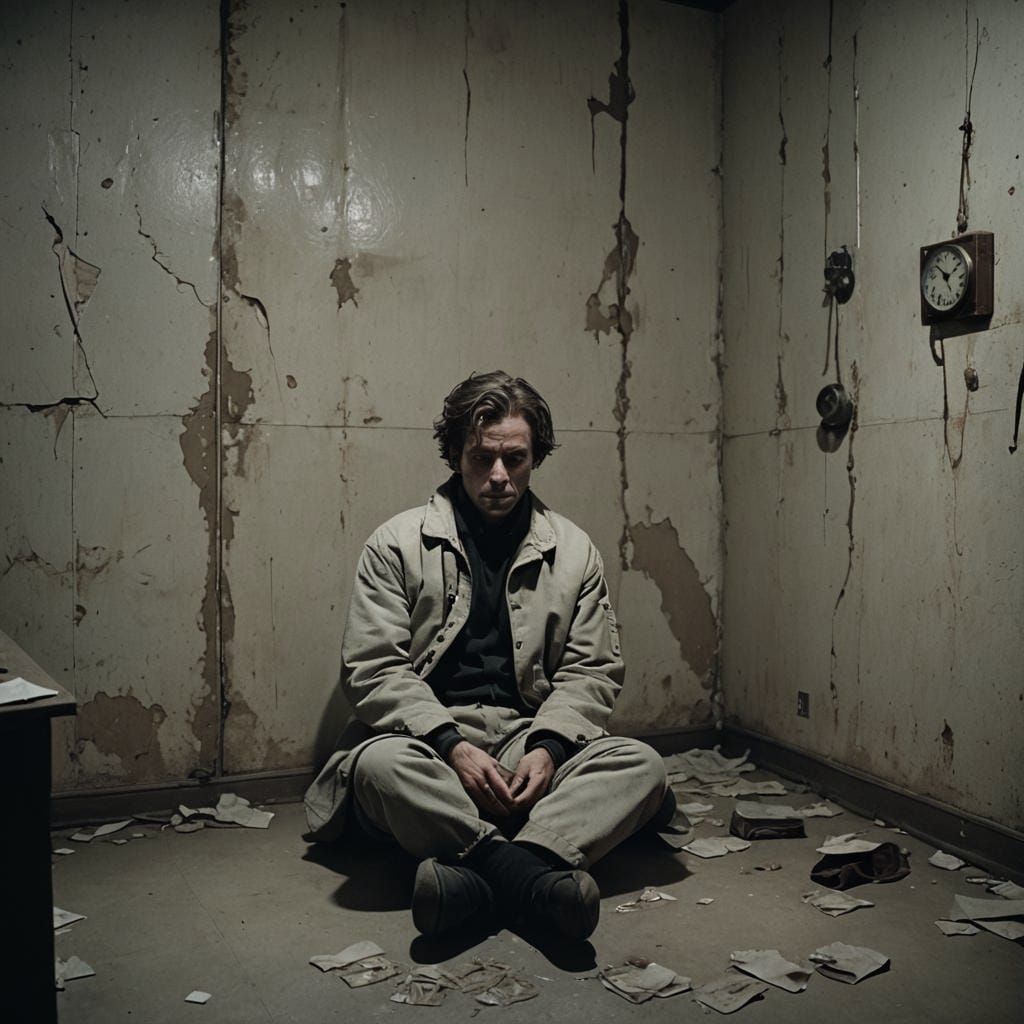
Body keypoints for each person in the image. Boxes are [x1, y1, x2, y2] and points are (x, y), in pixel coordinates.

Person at [304, 370, 671, 942]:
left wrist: (549, 749)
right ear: (455, 455)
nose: (499, 475)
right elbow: (374, 669)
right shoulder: (395, 543)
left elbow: (591, 670)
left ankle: (477, 875)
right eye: (482, 458)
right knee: (379, 768)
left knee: (642, 765)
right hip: (428, 743)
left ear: (535, 457)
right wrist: (452, 746)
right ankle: (531, 875)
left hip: (530, 734)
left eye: (515, 459)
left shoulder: (574, 551)